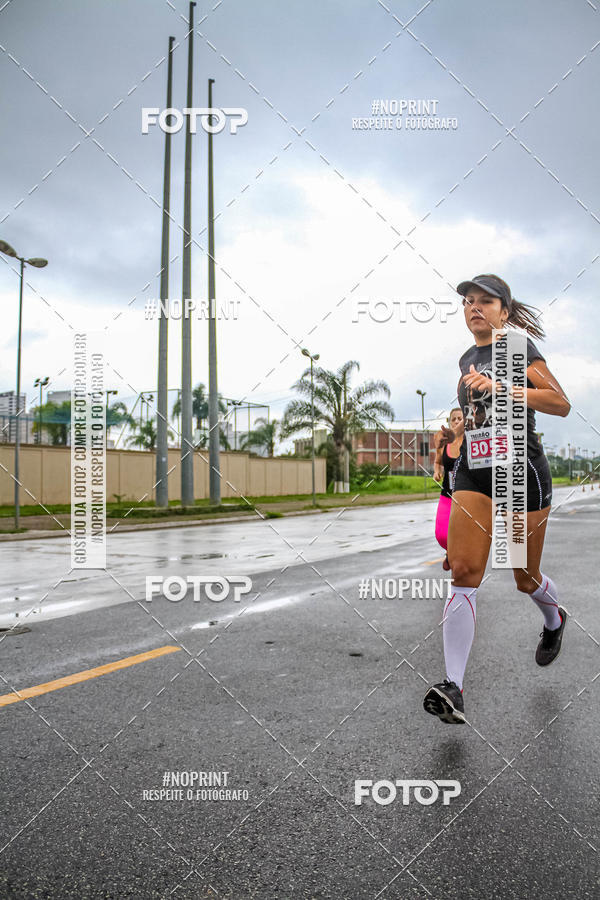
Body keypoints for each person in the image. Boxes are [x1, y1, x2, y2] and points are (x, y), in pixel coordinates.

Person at [423, 274, 571, 724]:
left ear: (503, 311)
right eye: (468, 301)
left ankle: (554, 619)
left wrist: (504, 389)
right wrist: (458, 431)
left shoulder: (518, 348)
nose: (474, 307)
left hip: (520, 472)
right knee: (466, 573)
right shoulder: (467, 357)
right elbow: (479, 413)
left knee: (523, 578)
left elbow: (559, 402)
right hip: (475, 470)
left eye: (485, 300)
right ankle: (453, 688)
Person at [433, 408, 464, 571]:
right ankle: (450, 551)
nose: (457, 422)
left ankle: (459, 557)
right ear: (449, 422)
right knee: (441, 534)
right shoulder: (444, 442)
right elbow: (438, 461)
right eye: (454, 419)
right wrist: (437, 471)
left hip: (467, 495)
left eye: (460, 419)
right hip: (447, 493)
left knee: (465, 534)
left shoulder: (471, 441)